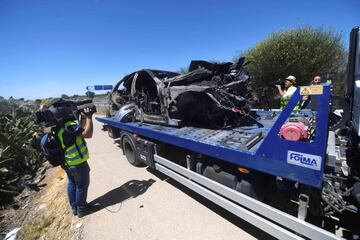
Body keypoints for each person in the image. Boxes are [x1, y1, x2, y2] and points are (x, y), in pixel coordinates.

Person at [58, 107, 94, 218]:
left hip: (67, 162)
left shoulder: (59, 126)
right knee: (81, 186)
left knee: (72, 183)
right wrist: (89, 117)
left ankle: (75, 207)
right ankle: (82, 209)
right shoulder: (69, 125)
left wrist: (83, 117)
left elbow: (80, 130)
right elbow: (87, 134)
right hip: (77, 162)